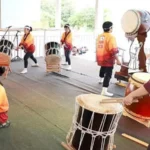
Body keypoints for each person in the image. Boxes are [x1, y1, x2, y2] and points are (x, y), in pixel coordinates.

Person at [96, 21, 121, 97]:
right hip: (108, 58)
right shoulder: (111, 37)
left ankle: (101, 79)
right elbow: (113, 50)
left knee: (103, 68)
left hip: (100, 56)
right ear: (110, 28)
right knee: (108, 73)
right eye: (112, 27)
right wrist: (118, 60)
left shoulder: (99, 36)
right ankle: (104, 90)